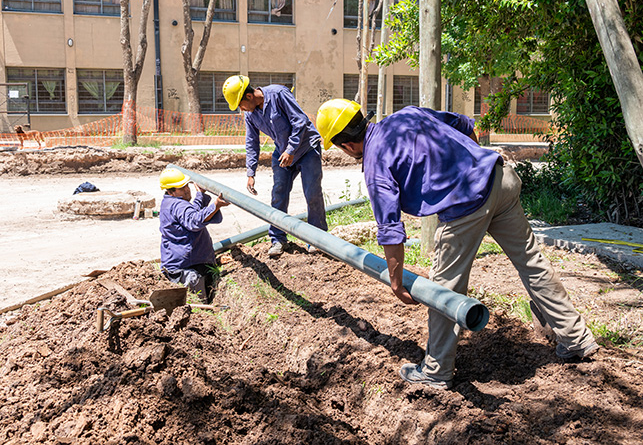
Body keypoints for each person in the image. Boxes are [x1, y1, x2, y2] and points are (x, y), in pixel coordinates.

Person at [315, 99, 598, 390]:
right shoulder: (408, 115)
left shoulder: (374, 165)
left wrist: (396, 283)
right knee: (531, 262)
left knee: (443, 289)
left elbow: (390, 229)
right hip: (498, 179)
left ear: (345, 146)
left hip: (466, 205)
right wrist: (474, 160)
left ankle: (436, 370)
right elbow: (463, 123)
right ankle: (576, 339)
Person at [222, 75, 327, 257]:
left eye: (240, 104)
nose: (241, 109)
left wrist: (291, 149)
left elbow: (300, 121)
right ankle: (278, 239)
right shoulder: (250, 114)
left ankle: (317, 240)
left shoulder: (278, 94)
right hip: (283, 151)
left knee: (312, 193)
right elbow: (251, 141)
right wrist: (250, 172)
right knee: (278, 193)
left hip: (307, 147)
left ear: (249, 96)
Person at [159, 168, 230, 303]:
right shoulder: (178, 205)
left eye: (186, 185)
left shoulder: (170, 202)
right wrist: (216, 205)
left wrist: (200, 196)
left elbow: (190, 212)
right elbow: (194, 220)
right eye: (182, 188)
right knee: (197, 303)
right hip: (185, 267)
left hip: (181, 262)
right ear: (170, 191)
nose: (187, 190)